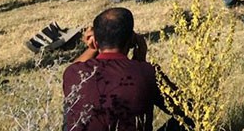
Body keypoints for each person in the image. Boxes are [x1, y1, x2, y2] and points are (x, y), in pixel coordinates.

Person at [62, 7, 192, 131]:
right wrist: (141, 62)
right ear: (131, 41)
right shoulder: (148, 73)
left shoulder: (73, 73)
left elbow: (74, 66)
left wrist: (92, 48)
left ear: (96, 42)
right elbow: (189, 110)